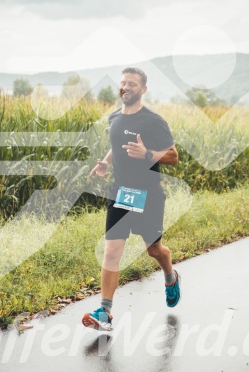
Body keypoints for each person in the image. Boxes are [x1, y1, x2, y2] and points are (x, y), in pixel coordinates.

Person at [82, 67, 181, 331]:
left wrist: (147, 154)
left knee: (154, 250)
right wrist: (105, 162)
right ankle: (105, 312)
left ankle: (170, 276)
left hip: (148, 195)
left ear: (143, 89)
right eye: (123, 82)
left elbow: (173, 156)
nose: (126, 87)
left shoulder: (153, 121)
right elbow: (117, 145)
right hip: (120, 193)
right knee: (112, 250)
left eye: (132, 84)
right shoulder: (114, 117)